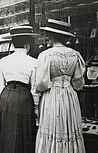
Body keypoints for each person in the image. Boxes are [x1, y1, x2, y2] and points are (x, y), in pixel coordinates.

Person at [35, 19, 86, 153]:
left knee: (53, 127)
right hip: (70, 96)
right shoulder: (76, 55)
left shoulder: (45, 55)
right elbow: (78, 82)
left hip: (52, 95)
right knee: (68, 128)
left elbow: (41, 83)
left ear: (51, 37)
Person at [0, 25, 40, 153]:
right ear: (27, 45)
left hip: (6, 96)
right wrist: (36, 107)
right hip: (24, 96)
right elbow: (35, 88)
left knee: (5, 132)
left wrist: (6, 96)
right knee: (22, 133)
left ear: (12, 43)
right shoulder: (33, 62)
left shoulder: (4, 61)